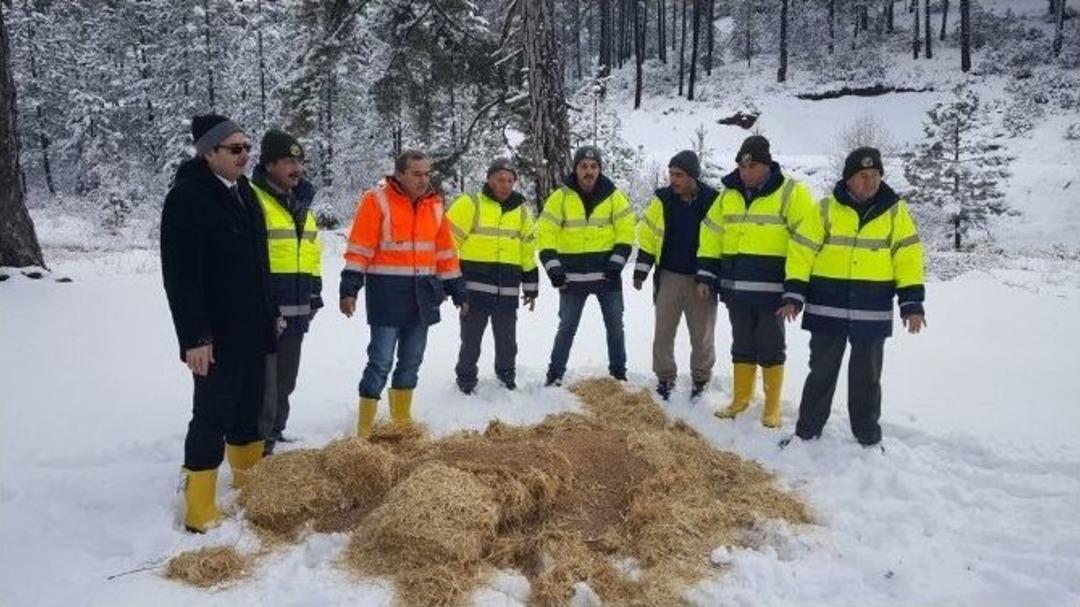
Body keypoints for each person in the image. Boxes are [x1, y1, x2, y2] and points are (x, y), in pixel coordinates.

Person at [161, 114, 277, 532]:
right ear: (208, 153)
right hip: (214, 335)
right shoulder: (187, 198)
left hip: (252, 327)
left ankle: (247, 484)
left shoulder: (244, 191)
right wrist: (194, 337)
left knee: (249, 409)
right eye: (235, 149)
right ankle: (198, 508)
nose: (245, 156)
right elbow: (180, 277)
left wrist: (271, 312)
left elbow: (259, 263)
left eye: (247, 148)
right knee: (211, 415)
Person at [781, 147, 926, 447]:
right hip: (826, 308)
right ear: (848, 179)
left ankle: (868, 437)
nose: (870, 181)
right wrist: (794, 294)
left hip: (871, 311)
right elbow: (801, 252)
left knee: (867, 379)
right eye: (863, 176)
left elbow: (908, 259)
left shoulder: (895, 213)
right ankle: (807, 432)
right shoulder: (824, 210)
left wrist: (911, 304)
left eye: (875, 175)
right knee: (821, 373)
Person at [340, 150, 465, 437]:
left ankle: (401, 425)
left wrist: (457, 288)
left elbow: (445, 252)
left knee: (411, 361)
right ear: (400, 175)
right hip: (386, 295)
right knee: (380, 361)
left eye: (427, 174)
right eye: (417, 174)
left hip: (423, 296)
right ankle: (366, 430)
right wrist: (350, 286)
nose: (424, 180)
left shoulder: (434, 205)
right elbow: (360, 248)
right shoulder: (376, 200)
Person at [697, 135, 817, 428]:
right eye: (741, 166)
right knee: (742, 345)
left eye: (751, 167)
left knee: (771, 347)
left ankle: (772, 407)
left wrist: (795, 290)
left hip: (773, 294)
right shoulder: (728, 195)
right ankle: (740, 399)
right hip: (736, 290)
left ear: (765, 166)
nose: (745, 172)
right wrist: (707, 274)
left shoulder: (792, 193)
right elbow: (711, 234)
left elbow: (805, 242)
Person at [538, 146, 636, 386]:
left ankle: (619, 374)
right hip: (571, 279)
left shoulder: (615, 197)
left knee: (615, 327)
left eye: (593, 167)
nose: (588, 171)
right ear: (576, 168)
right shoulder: (559, 197)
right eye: (583, 166)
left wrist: (615, 265)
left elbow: (626, 234)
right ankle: (554, 374)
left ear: (600, 169)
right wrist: (554, 270)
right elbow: (545, 235)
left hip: (607, 277)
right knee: (566, 328)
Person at [249, 129, 321, 455]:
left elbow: (311, 253)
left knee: (285, 381)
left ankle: (274, 435)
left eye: (300, 161)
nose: (297, 168)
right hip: (263, 310)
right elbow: (249, 259)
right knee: (261, 384)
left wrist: (315, 294)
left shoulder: (302, 204)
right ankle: (254, 445)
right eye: (289, 161)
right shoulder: (252, 200)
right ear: (269, 165)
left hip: (297, 308)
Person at [634, 150, 720, 401]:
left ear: (693, 176)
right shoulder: (662, 201)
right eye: (671, 174)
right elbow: (648, 237)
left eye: (679, 175)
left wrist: (709, 276)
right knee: (663, 333)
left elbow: (719, 241)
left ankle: (701, 379)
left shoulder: (713, 201)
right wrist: (641, 270)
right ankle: (664, 377)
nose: (673, 180)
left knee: (702, 335)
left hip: (701, 279)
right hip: (669, 276)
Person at [447, 158, 538, 393]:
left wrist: (531, 285)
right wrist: (451, 282)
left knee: (508, 341)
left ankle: (506, 377)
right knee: (471, 340)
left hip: (508, 288)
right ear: (489, 179)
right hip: (474, 288)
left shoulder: (522, 211)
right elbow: (447, 244)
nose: (505, 185)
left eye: (510, 180)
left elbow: (527, 250)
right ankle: (466, 381)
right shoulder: (470, 204)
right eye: (500, 179)